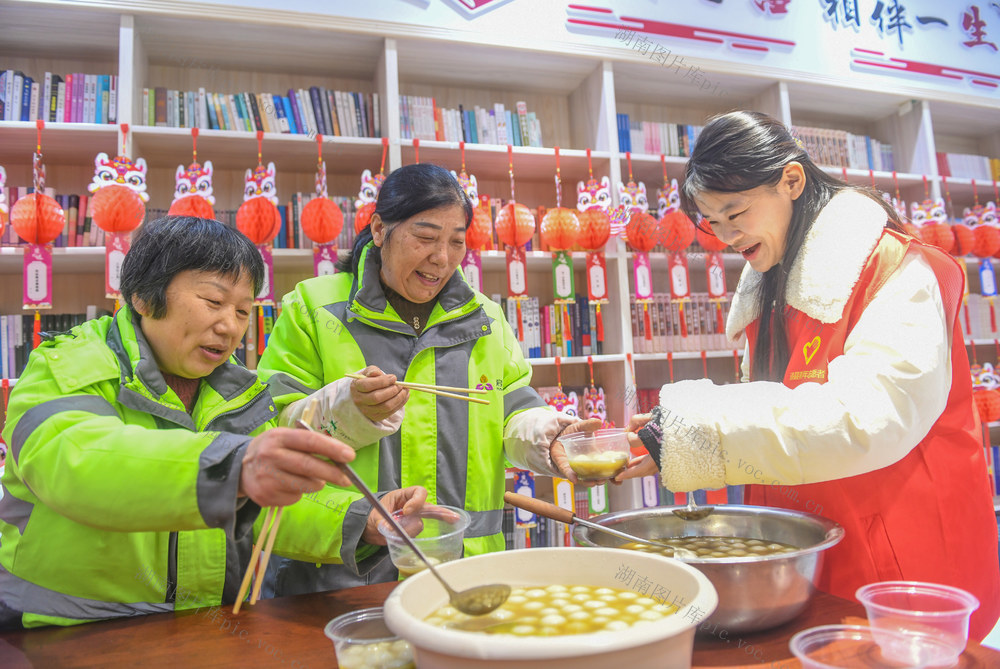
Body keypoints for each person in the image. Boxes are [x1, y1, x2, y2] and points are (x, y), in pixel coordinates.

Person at [618, 110, 1000, 639]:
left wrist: (695, 432)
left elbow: (867, 417)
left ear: (791, 180)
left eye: (736, 213)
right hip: (816, 549)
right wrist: (672, 438)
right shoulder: (771, 283)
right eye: (714, 222)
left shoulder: (896, 271)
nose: (727, 236)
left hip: (900, 561)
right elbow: (784, 405)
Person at [0, 216, 425, 629]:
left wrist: (361, 520)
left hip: (204, 627)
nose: (230, 326)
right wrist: (233, 467)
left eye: (244, 311)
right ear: (144, 297)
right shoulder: (66, 365)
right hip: (65, 628)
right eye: (213, 302)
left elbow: (265, 506)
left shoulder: (238, 392)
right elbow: (75, 462)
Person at [257, 163, 601, 596]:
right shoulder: (314, 307)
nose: (442, 257)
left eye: (456, 241)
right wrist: (347, 409)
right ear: (380, 229)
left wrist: (544, 434)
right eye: (425, 237)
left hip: (467, 568)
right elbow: (269, 429)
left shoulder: (486, 318)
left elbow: (511, 407)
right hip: (343, 576)